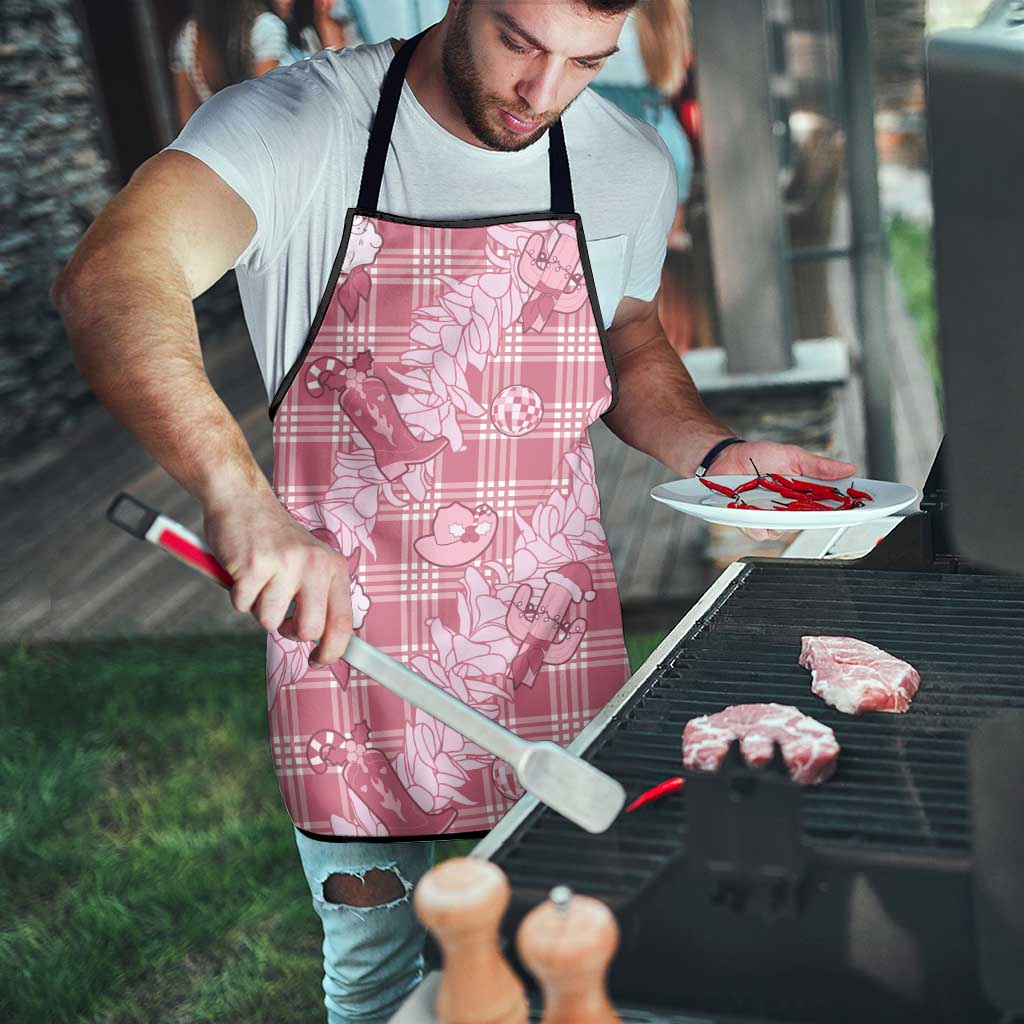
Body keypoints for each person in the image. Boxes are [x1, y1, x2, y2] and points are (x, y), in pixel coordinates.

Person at [53, 2, 856, 1020]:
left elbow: (630, 339)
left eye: (585, 62)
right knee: (379, 979)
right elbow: (113, 275)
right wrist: (237, 496)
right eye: (521, 43)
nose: (543, 93)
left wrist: (718, 449)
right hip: (348, 655)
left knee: (572, 955)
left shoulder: (623, 160)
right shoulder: (298, 125)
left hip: (549, 639)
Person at [170, 0, 288, 126]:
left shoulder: (188, 37)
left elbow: (187, 120)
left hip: (215, 139)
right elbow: (266, 107)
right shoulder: (265, 27)